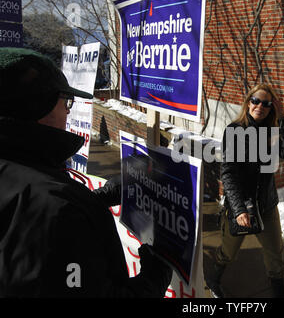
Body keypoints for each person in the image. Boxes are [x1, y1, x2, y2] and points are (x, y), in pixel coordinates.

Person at [0, 48, 172, 297]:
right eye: (65, 101)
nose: (68, 111)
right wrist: (154, 277)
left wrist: (92, 201)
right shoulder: (58, 210)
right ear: (39, 107)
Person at [206, 84, 284, 298]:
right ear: (248, 102)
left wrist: (283, 119)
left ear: (271, 108)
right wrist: (239, 210)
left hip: (266, 205)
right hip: (240, 206)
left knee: (276, 256)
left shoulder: (272, 131)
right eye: (256, 101)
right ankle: (213, 278)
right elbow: (228, 173)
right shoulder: (235, 131)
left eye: (266, 103)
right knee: (228, 252)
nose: (260, 106)